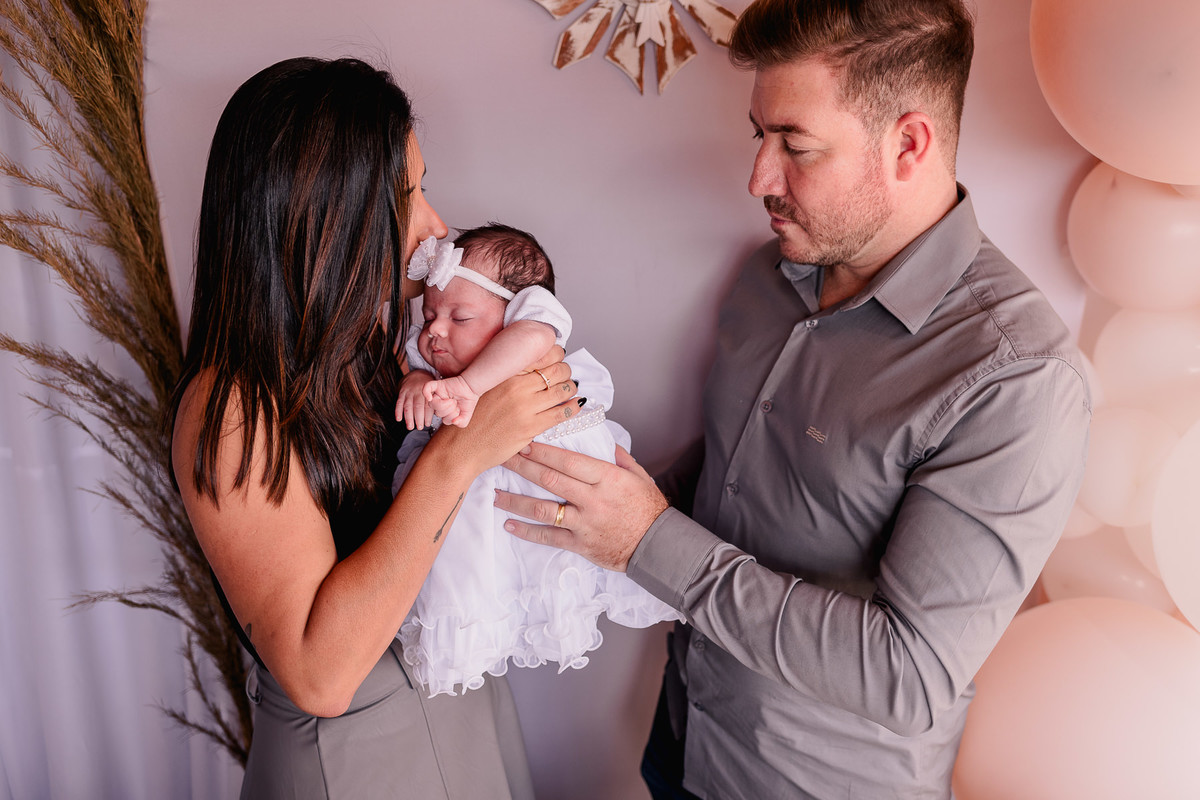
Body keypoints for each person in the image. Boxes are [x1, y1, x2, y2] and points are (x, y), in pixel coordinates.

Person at [495, 1, 1093, 797]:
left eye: (795, 146)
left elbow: (907, 674)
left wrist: (645, 541)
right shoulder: (765, 277)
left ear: (908, 144)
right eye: (758, 135)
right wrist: (581, 494)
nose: (757, 179)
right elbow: (745, 470)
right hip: (684, 738)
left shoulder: (1017, 377)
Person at [170, 58, 584, 799]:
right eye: (407, 194)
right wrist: (462, 450)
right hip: (354, 762)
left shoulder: (371, 352)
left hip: (466, 725)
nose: (436, 224)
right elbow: (320, 675)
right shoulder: (231, 408)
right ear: (324, 214)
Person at [393, 224, 681, 697]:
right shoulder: (435, 354)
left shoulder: (533, 330)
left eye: (459, 318)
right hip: (482, 498)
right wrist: (414, 384)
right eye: (429, 316)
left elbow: (532, 338)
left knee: (554, 566)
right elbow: (416, 365)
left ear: (516, 312)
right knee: (480, 575)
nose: (434, 331)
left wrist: (467, 388)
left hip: (553, 471)